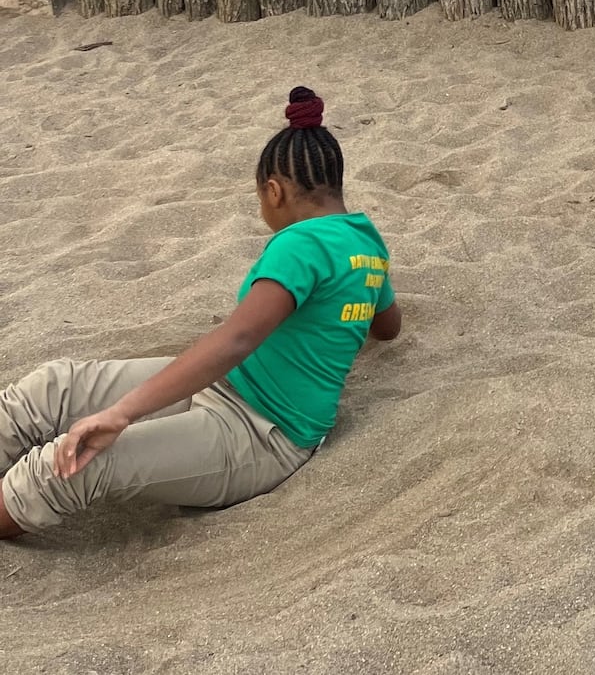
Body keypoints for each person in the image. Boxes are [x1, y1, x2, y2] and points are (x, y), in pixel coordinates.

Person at [0, 88, 400, 538]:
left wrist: (122, 413)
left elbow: (237, 340)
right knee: (56, 387)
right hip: (226, 387)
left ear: (274, 192)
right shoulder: (367, 245)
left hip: (261, 435)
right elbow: (387, 328)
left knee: (79, 461)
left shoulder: (299, 243)